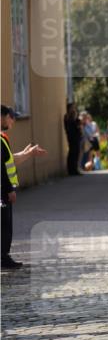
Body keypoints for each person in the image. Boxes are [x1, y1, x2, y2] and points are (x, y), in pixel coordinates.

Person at [1, 105, 47, 270]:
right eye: (11, 117)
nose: (13, 121)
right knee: (4, 226)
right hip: (2, 190)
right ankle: (3, 258)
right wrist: (8, 189)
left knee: (5, 225)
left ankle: (3, 257)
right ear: (2, 117)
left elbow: (9, 160)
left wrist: (29, 153)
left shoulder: (2, 138)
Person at [63, 103, 82, 176]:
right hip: (72, 137)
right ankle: (72, 170)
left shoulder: (74, 117)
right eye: (72, 108)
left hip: (76, 137)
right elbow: (72, 127)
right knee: (72, 152)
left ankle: (74, 169)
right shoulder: (68, 117)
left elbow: (78, 125)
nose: (74, 109)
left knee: (76, 152)